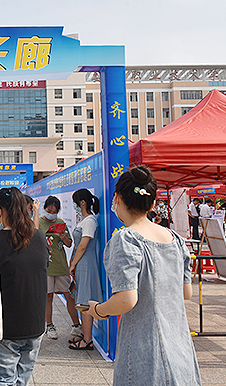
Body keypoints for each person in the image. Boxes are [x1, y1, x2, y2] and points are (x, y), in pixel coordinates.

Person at [87, 165, 201, 386]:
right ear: (152, 204)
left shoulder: (126, 239)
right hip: (179, 346)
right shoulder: (175, 239)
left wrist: (98, 310)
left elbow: (126, 299)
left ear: (117, 199)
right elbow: (186, 292)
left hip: (144, 351)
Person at [0, 187, 49, 386]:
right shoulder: (39, 237)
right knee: (21, 380)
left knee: (2, 380)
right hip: (35, 325)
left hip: (4, 327)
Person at [39, 195, 82, 340]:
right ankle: (50, 326)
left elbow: (69, 244)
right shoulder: (38, 223)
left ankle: (76, 325)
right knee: (48, 296)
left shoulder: (60, 222)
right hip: (46, 266)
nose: (52, 214)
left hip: (61, 265)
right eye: (49, 210)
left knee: (69, 295)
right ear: (44, 208)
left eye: (54, 211)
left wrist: (63, 236)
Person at [68, 189, 102, 350]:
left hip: (86, 263)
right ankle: (85, 334)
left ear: (82, 203)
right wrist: (72, 261)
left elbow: (83, 245)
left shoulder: (89, 221)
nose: (74, 205)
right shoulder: (84, 220)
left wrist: (73, 264)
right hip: (80, 262)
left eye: (75, 202)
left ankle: (88, 339)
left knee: (85, 301)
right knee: (81, 299)